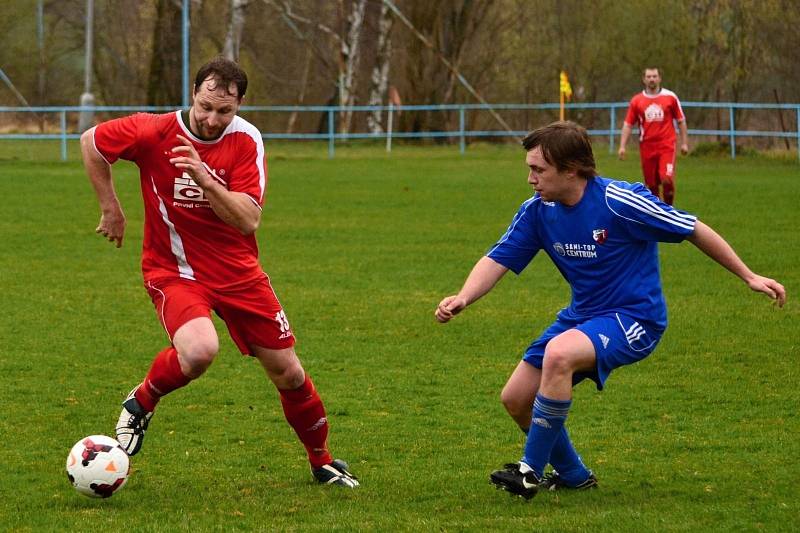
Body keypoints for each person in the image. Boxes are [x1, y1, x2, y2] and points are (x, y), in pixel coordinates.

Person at [435, 121, 785, 501]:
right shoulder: (538, 211)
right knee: (516, 398)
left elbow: (692, 228)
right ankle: (574, 475)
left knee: (560, 353)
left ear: (571, 169)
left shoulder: (619, 201)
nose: (530, 179)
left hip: (635, 319)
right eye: (529, 169)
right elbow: (498, 257)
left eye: (538, 169)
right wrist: (464, 296)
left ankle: (529, 472)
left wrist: (748, 275)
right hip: (582, 316)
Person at [80, 56, 358, 488]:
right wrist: (110, 207)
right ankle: (142, 400)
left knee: (288, 372)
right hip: (174, 269)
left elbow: (248, 220)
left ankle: (321, 460)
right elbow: (91, 142)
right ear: (194, 94)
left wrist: (206, 180)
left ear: (240, 105)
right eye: (205, 106)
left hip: (238, 273)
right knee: (199, 351)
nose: (212, 119)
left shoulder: (246, 140)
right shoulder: (154, 130)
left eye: (224, 111)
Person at [618, 67, 689, 205]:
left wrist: (685, 143)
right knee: (651, 186)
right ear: (644, 79)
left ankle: (669, 210)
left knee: (666, 179)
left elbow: (681, 121)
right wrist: (622, 146)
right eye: (649, 76)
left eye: (655, 76)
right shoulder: (637, 101)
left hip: (667, 145)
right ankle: (657, 215)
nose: (652, 79)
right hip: (647, 147)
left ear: (659, 78)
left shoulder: (670, 97)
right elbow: (628, 124)